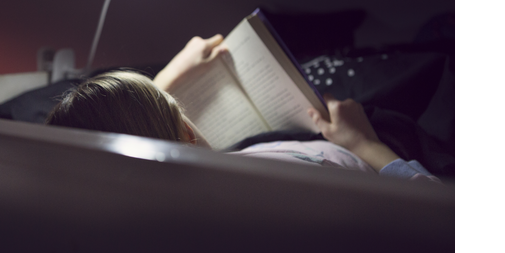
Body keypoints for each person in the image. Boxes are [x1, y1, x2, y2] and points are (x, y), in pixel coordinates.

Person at [46, 35, 440, 183]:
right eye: (178, 112)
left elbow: (105, 139)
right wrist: (364, 143)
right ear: (184, 132)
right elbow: (436, 210)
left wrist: (165, 81)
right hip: (373, 147)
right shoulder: (287, 190)